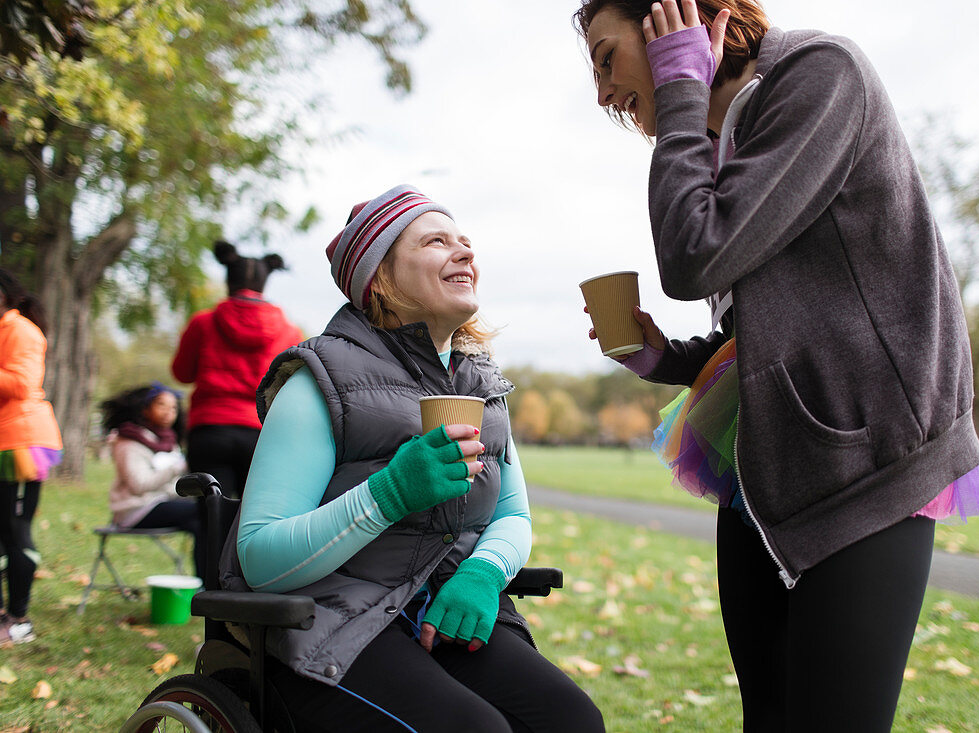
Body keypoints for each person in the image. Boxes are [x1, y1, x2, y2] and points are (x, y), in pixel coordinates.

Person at [573, 1, 979, 730]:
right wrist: (664, 357)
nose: (604, 94)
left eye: (607, 60)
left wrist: (677, 95)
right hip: (769, 470)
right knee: (767, 717)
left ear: (667, 20)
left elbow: (695, 253)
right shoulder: (723, 132)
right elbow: (769, 326)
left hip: (869, 464)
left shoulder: (818, 74)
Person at [220, 185, 605, 732]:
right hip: (328, 621)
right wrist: (389, 494)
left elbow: (513, 517)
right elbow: (260, 558)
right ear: (378, 277)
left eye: (465, 241)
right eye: (435, 241)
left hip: (438, 608)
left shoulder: (482, 387)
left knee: (572, 721)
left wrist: (483, 573)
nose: (465, 252)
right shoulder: (319, 380)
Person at [171, 240, 302, 501]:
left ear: (228, 280)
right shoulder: (289, 331)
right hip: (261, 434)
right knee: (251, 520)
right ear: (265, 283)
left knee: (209, 517)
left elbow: (182, 373)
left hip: (209, 431)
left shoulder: (203, 323)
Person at [0, 268, 62, 646]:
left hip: (21, 443)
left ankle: (20, 619)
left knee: (15, 532)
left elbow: (22, 383)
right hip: (4, 440)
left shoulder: (22, 331)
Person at [101, 383, 203, 575]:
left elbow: (170, 486)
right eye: (161, 405)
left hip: (162, 503)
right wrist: (178, 468)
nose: (168, 412)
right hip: (136, 510)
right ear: (144, 408)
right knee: (204, 511)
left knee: (205, 521)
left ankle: (205, 584)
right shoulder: (128, 441)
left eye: (173, 407)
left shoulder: (168, 441)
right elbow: (139, 485)